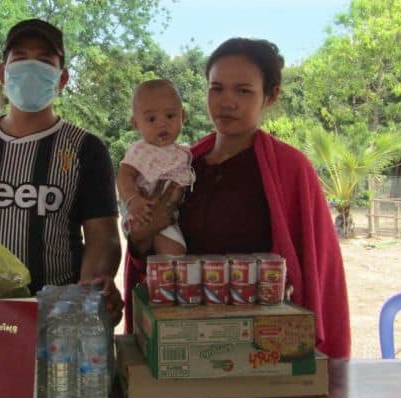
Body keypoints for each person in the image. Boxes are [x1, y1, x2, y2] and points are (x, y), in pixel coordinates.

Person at [125, 38, 351, 358]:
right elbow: (144, 254)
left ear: (270, 97)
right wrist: (145, 230)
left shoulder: (290, 169)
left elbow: (319, 272)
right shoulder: (181, 164)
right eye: (217, 88)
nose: (226, 102)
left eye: (242, 91)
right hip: (181, 344)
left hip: (262, 350)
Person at [0, 18, 124, 323]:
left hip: (60, 316)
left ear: (62, 80)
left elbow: (103, 237)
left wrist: (88, 291)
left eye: (45, 60)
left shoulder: (86, 148)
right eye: (19, 58)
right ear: (2, 74)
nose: (31, 67)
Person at [116, 79, 194, 256]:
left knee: (179, 251)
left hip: (169, 216)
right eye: (151, 119)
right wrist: (133, 199)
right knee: (174, 253)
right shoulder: (140, 150)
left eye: (170, 116)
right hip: (143, 213)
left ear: (183, 116)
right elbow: (124, 175)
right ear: (136, 124)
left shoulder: (183, 152)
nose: (162, 124)